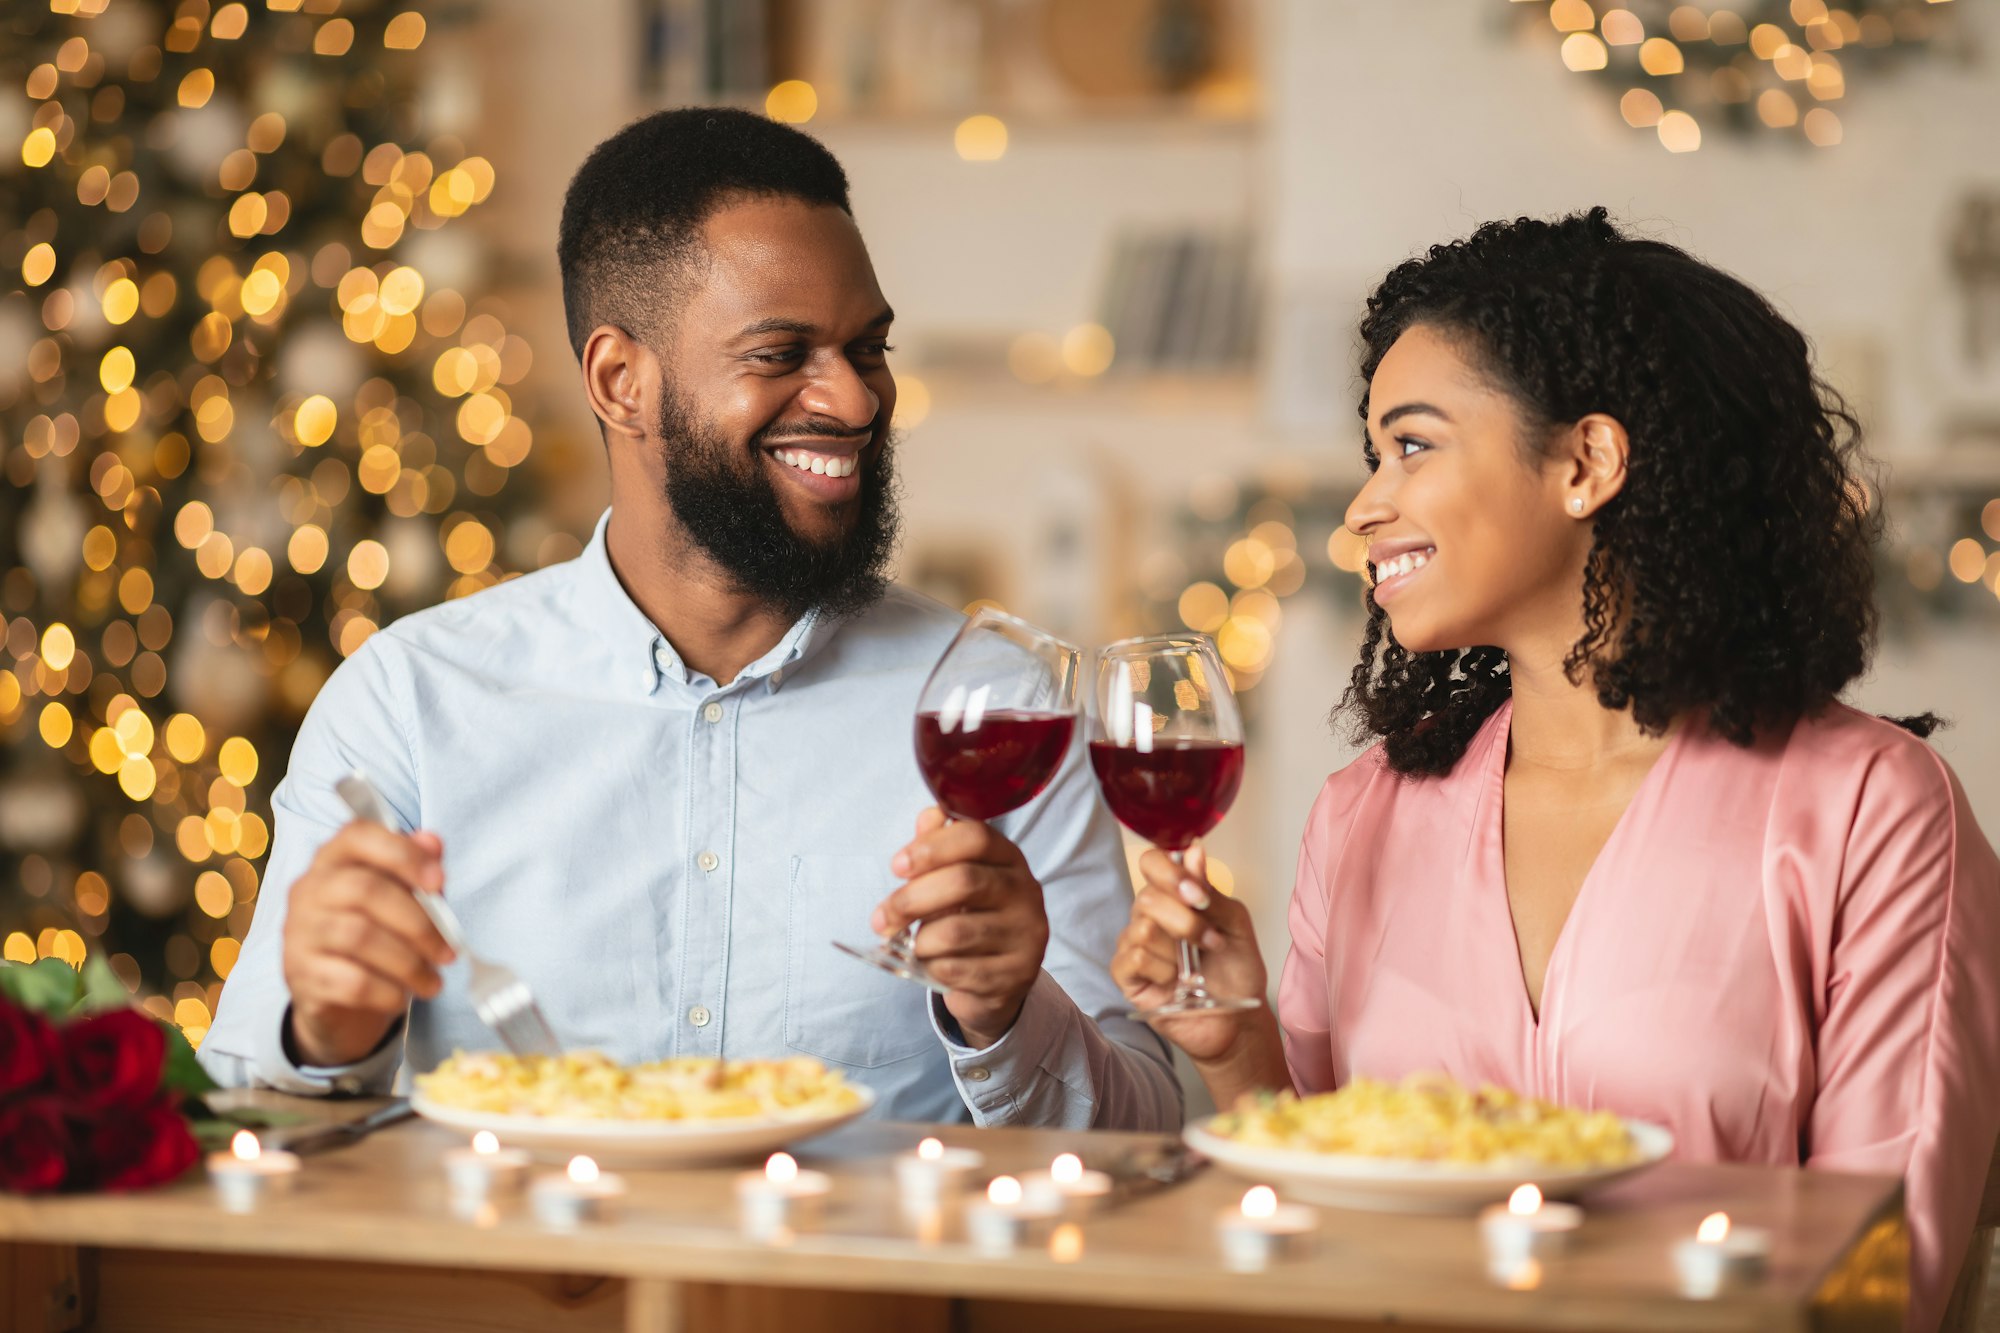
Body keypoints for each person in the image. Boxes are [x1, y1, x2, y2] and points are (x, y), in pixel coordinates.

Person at [202, 108, 1180, 1131]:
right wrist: (326, 1033)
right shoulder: (408, 703)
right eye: (779, 353)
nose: (851, 400)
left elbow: (1146, 1139)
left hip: (858, 1289)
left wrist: (1006, 1015)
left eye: (865, 347)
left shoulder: (996, 709)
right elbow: (245, 1123)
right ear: (620, 382)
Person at [1113, 209, 2000, 1329]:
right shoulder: (1363, 815)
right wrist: (1240, 1049)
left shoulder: (1868, 808)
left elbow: (1889, 1274)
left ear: (1584, 462)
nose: (1363, 503)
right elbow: (1304, 1238)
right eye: (1371, 453)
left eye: (1412, 444)